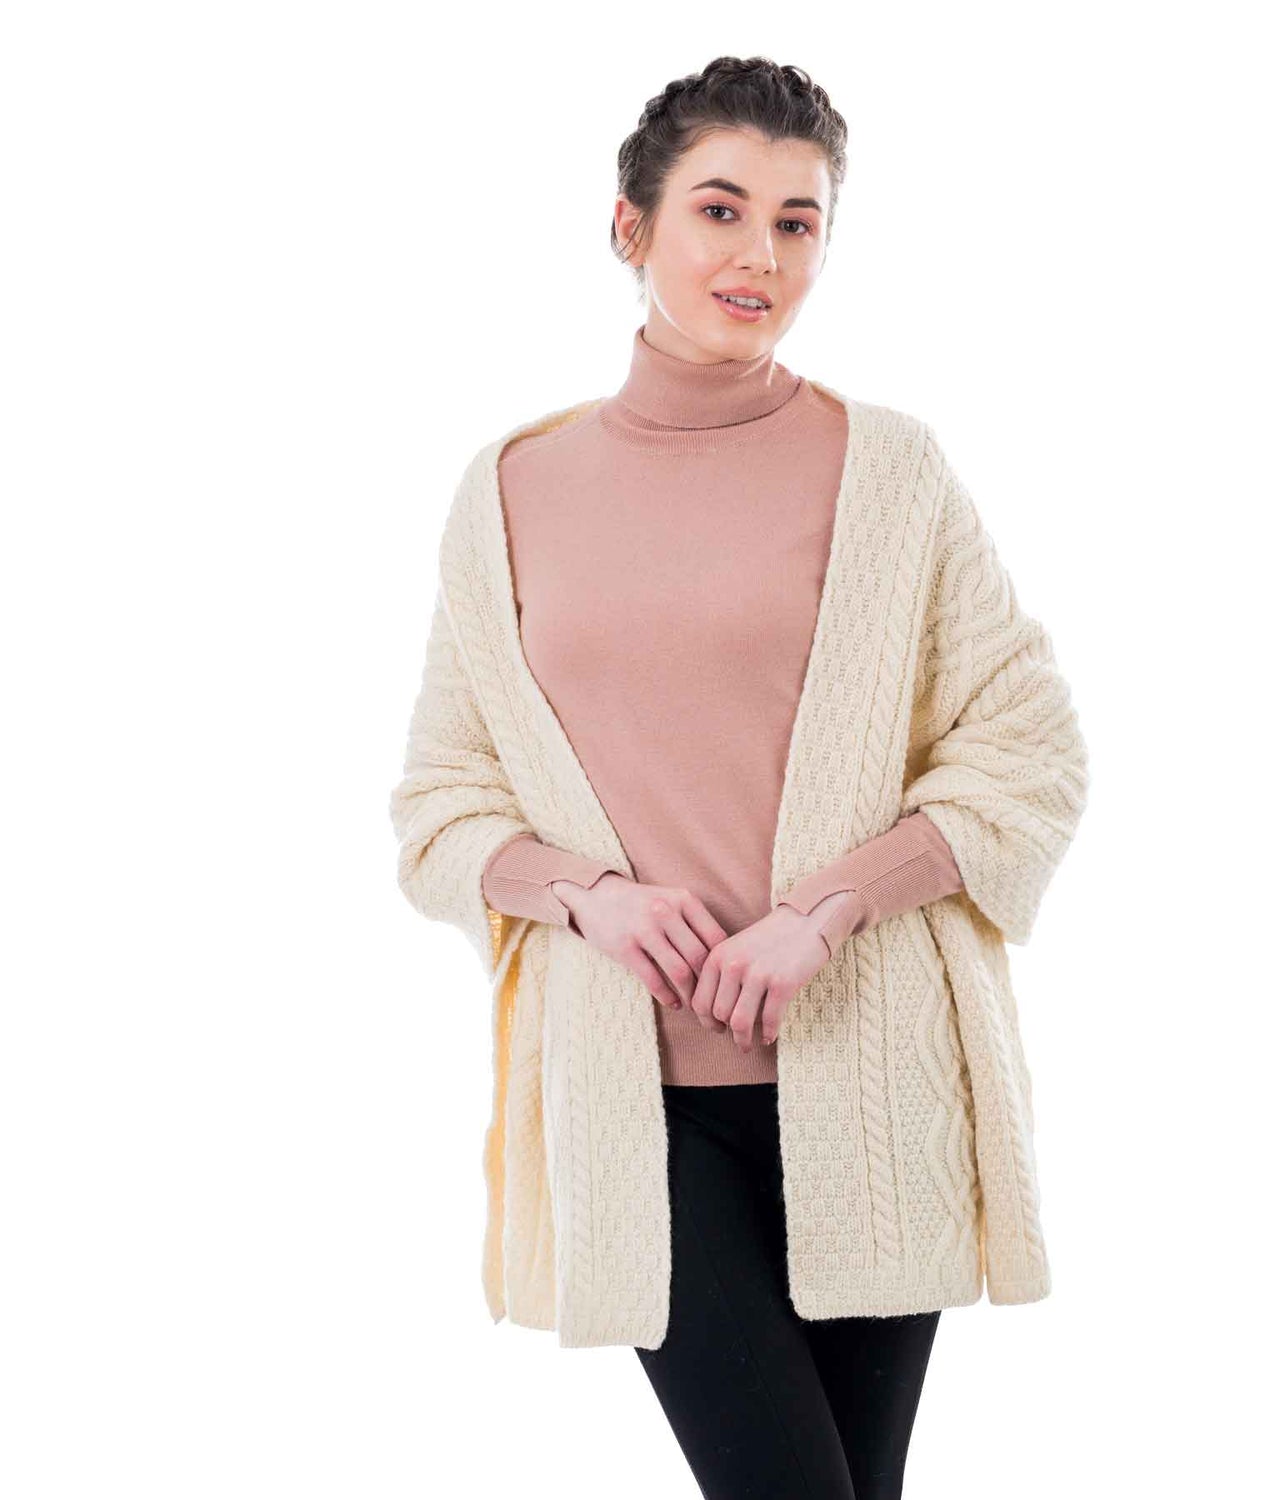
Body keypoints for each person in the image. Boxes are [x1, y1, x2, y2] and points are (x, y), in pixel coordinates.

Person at [391, 54, 1089, 1500]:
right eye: (719, 209)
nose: (760, 255)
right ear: (630, 226)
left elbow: (1027, 743)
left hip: (874, 1080)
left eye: (797, 221)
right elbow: (442, 800)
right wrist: (590, 896)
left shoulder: (889, 470)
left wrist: (826, 911)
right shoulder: (511, 490)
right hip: (637, 1095)